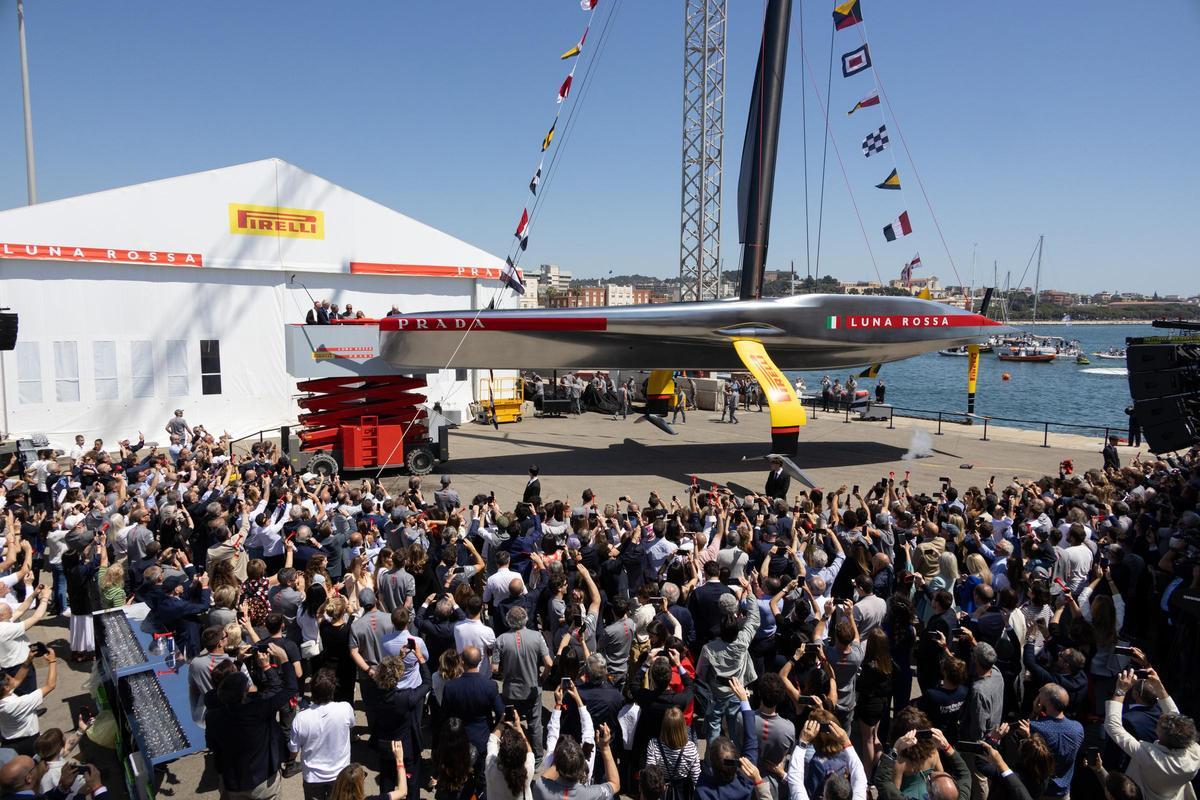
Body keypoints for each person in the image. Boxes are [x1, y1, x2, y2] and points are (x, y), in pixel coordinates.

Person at [205, 642, 295, 800]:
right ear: (244, 692)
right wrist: (284, 660)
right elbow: (288, 689)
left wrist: (238, 662)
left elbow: (212, 745)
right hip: (263, 780)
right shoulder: (258, 709)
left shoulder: (213, 713)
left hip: (232, 781)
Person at [1105, 668, 1200, 800]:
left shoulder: (1150, 756)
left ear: (1161, 737)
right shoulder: (1195, 753)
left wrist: (1120, 690)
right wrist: (1159, 687)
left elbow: (1113, 727)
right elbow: (1175, 716)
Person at [496, 607, 552, 763]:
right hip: (532, 689)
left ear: (508, 620)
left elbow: (494, 668)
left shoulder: (501, 639)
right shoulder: (537, 636)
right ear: (526, 619)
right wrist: (542, 677)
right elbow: (549, 663)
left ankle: (512, 753)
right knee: (535, 724)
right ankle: (538, 756)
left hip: (510, 691)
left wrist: (504, 673)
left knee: (511, 723)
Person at [289, 669, 355, 800]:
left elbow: (293, 750)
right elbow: (351, 726)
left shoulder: (301, 718)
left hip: (312, 777)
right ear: (333, 690)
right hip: (341, 774)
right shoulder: (345, 709)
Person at [0, 646, 56, 756]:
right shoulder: (18, 704)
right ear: (6, 688)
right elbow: (50, 685)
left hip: (7, 741)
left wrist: (28, 660)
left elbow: (17, 680)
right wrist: (52, 661)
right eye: (10, 678)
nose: (13, 678)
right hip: (28, 742)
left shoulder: (3, 696)